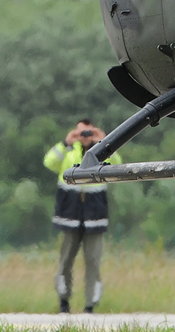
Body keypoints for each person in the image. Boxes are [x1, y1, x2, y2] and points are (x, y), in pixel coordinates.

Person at [43, 119, 123, 314]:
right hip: (69, 213)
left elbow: (118, 165)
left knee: (93, 260)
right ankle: (64, 301)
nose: (86, 137)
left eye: (89, 132)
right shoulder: (68, 151)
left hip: (94, 214)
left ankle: (90, 305)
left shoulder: (102, 152)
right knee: (66, 259)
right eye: (82, 132)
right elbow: (49, 162)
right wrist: (65, 142)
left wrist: (105, 142)